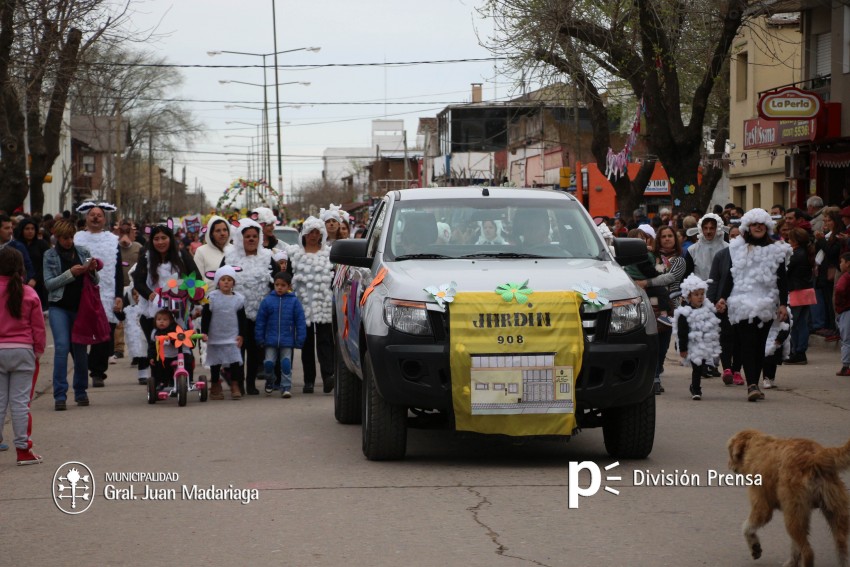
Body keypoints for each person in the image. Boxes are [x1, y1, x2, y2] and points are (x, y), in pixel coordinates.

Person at [714, 208, 790, 402]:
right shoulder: (736, 248)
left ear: (767, 227)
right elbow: (731, 276)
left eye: (761, 224)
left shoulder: (776, 249)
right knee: (747, 344)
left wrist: (783, 304)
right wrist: (722, 297)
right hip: (742, 302)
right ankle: (752, 385)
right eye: (754, 224)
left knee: (760, 345)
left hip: (766, 303)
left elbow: (782, 280)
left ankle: (754, 382)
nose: (758, 227)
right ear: (748, 227)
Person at [132, 224, 199, 384]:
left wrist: (192, 297)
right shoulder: (146, 257)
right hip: (154, 311)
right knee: (158, 346)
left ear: (170, 239)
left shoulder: (181, 255)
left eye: (164, 238)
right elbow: (138, 282)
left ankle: (184, 378)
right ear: (151, 241)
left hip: (179, 309)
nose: (160, 242)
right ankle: (161, 381)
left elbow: (196, 278)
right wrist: (151, 294)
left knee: (183, 345)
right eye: (156, 239)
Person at [44, 219, 99, 411]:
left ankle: (81, 391)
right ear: (57, 238)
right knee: (61, 347)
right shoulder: (49, 255)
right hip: (59, 306)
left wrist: (91, 271)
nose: (68, 241)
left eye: (70, 237)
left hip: (81, 307)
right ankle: (60, 394)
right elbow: (49, 284)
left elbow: (95, 280)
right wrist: (70, 273)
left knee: (80, 350)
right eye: (64, 238)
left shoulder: (83, 251)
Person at [0, 247, 46, 465]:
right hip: (23, 351)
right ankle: (23, 450)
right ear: (20, 267)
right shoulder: (29, 292)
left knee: (0, 402)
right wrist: (37, 351)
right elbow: (38, 327)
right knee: (20, 404)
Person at [223, 218, 276, 395]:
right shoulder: (230, 257)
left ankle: (251, 383)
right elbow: (221, 279)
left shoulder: (268, 256)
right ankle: (237, 383)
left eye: (255, 236)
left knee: (255, 350)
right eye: (248, 236)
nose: (251, 239)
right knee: (237, 348)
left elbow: (278, 280)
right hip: (235, 312)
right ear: (240, 238)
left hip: (260, 312)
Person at [73, 203, 123, 388]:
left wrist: (119, 295)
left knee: (104, 334)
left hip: (107, 292)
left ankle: (98, 372)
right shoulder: (77, 238)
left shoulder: (112, 240)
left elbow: (117, 269)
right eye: (92, 214)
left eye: (99, 215)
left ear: (104, 218)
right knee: (78, 332)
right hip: (82, 292)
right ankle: (83, 363)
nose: (95, 217)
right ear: (86, 217)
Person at [285, 216, 334, 394]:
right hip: (302, 305)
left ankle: (329, 376)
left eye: (317, 232)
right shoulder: (295, 255)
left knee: (325, 342)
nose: (314, 236)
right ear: (304, 234)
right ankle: (309, 381)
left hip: (324, 305)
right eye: (310, 232)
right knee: (306, 343)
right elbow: (288, 278)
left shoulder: (328, 254)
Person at [637, 225, 687, 394]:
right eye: (663, 236)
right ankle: (653, 378)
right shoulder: (652, 256)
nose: (667, 239)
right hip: (650, 303)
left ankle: (657, 373)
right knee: (652, 341)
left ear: (675, 239)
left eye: (670, 236)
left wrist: (648, 283)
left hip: (670, 305)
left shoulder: (679, 260)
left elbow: (670, 278)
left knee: (663, 343)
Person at [255, 272, 306, 398]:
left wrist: (300, 339)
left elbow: (300, 321)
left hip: (287, 339)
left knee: (286, 363)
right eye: (277, 284)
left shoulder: (294, 302)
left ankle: (286, 387)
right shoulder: (267, 301)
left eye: (283, 285)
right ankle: (270, 380)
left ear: (289, 286)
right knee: (268, 363)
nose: (279, 287)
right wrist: (259, 337)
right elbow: (261, 321)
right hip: (270, 340)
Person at [201, 266, 247, 400]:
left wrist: (242, 334)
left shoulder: (238, 299)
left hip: (232, 336)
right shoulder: (212, 297)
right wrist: (205, 332)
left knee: (234, 362)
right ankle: (215, 385)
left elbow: (242, 319)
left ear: (234, 282)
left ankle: (234, 385)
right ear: (217, 282)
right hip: (215, 336)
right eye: (223, 279)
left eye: (229, 279)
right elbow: (206, 317)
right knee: (215, 363)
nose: (226, 282)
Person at [674, 274, 721, 400]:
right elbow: (682, 333)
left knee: (702, 367)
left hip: (704, 345)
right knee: (697, 367)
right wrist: (683, 348)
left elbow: (713, 324)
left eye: (702, 294)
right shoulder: (685, 312)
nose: (700, 297)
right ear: (689, 297)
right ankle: (696, 389)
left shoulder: (707, 309)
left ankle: (694, 386)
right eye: (696, 295)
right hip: (692, 345)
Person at [813, 207, 844, 341]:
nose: (826, 223)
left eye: (829, 220)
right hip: (824, 272)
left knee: (833, 302)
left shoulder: (839, 235)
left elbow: (832, 252)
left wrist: (821, 241)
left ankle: (836, 328)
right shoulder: (828, 234)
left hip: (833, 271)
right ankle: (832, 326)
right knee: (827, 301)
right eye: (824, 220)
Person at [785, 227, 815, 365]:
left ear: (795, 240)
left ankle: (796, 351)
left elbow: (786, 270)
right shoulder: (805, 253)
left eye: (790, 238)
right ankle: (800, 351)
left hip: (796, 292)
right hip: (806, 292)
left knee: (794, 324)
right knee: (802, 323)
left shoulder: (796, 254)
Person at [148, 309, 193, 391]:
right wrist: (151, 357)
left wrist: (173, 338)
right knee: (160, 366)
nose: (161, 322)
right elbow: (152, 346)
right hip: (165, 355)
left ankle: (188, 380)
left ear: (171, 321)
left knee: (188, 362)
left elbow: (180, 338)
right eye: (159, 320)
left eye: (165, 320)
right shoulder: (155, 332)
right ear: (155, 321)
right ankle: (161, 382)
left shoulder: (175, 328)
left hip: (178, 354)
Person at [14, 217, 50, 307]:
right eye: (27, 229)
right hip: (19, 283)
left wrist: (35, 279)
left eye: (32, 229)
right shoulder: (16, 245)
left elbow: (47, 264)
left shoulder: (42, 244)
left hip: (39, 283)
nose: (30, 231)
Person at [684, 213, 727, 281]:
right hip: (699, 289)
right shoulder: (692, 250)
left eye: (712, 228)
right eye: (705, 228)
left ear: (718, 229)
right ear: (701, 229)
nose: (708, 231)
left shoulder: (727, 248)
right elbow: (687, 276)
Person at [194, 215, 232, 285]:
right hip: (209, 294)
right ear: (211, 234)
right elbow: (197, 280)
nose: (222, 233)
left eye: (225, 230)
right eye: (218, 231)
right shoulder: (201, 251)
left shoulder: (234, 250)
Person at [0, 214, 35, 286]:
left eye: (11, 228)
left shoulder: (18, 247)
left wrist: (23, 283)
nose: (10, 231)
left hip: (14, 289)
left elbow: (28, 268)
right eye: (6, 228)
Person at [833, 252, 850, 376]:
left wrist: (839, 306)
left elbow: (839, 290)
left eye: (842, 261)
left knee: (846, 339)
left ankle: (846, 365)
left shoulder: (846, 277)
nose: (840, 264)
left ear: (848, 263)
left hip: (845, 311)